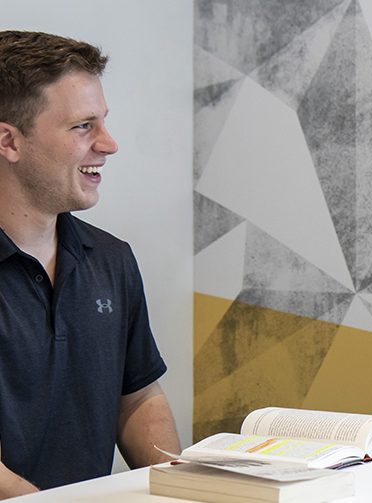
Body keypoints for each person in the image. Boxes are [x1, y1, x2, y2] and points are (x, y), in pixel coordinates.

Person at [0, 30, 180, 496]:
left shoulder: (112, 260)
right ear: (9, 142)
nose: (109, 144)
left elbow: (136, 398)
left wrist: (177, 486)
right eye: (83, 126)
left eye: (103, 122)